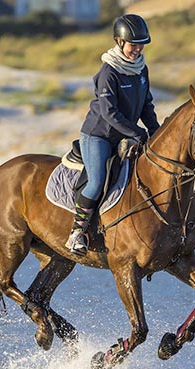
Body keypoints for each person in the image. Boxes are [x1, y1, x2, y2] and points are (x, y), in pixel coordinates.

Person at [65, 14, 160, 255]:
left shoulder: (141, 70)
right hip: (99, 135)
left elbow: (147, 105)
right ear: (119, 42)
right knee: (97, 181)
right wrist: (137, 132)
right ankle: (77, 233)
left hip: (126, 135)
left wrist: (155, 132)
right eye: (133, 44)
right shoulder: (109, 72)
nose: (137, 49)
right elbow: (109, 113)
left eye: (141, 44)